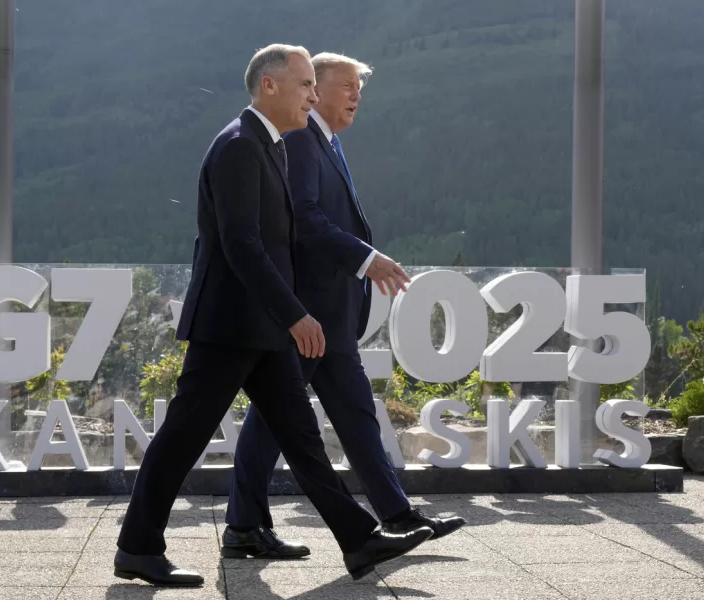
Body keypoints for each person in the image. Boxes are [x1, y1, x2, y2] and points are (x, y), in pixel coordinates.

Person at [113, 44, 433, 588]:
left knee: (303, 439)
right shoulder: (239, 146)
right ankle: (138, 548)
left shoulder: (272, 146)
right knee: (182, 438)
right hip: (230, 327)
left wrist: (286, 316)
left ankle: (358, 540)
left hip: (259, 329)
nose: (313, 94)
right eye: (307, 84)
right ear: (269, 86)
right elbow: (241, 245)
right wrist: (296, 315)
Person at [223, 52, 466, 560]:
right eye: (346, 86)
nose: (356, 95)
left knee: (357, 417)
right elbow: (305, 221)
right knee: (271, 422)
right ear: (317, 90)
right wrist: (366, 258)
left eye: (360, 87)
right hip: (306, 316)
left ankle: (397, 514)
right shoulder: (301, 140)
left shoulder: (323, 142)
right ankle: (243, 526)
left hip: (330, 317)